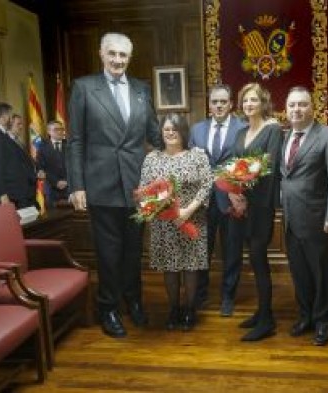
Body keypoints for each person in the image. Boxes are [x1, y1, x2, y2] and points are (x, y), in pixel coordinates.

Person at [66, 32, 162, 338]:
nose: (118, 60)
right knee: (108, 253)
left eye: (123, 55)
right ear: (101, 54)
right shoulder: (84, 87)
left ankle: (133, 301)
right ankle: (107, 306)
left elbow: (155, 134)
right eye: (113, 54)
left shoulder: (141, 89)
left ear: (129, 58)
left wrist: (183, 150)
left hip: (137, 184)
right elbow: (76, 141)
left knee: (134, 251)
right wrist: (77, 185)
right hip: (101, 184)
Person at [280, 86, 328, 346]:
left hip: (320, 222)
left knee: (322, 274)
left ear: (313, 107)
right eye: (292, 105)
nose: (296, 109)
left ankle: (323, 322)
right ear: (286, 110)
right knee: (300, 273)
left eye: (302, 104)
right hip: (291, 221)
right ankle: (306, 316)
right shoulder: (286, 136)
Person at [139, 113, 213, 331]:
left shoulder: (197, 155)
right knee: (169, 268)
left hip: (192, 220)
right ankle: (173, 309)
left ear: (183, 132)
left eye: (175, 129)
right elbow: (144, 189)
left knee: (191, 267)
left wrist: (188, 209)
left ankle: (190, 309)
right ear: (161, 133)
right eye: (166, 130)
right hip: (164, 224)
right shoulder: (152, 158)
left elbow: (207, 184)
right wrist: (155, 204)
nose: (170, 133)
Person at [230, 83, 282, 341]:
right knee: (252, 259)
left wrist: (248, 196)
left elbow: (268, 169)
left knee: (260, 260)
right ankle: (261, 312)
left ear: (263, 103)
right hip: (242, 205)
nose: (249, 104)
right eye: (245, 100)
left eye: (254, 100)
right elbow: (233, 166)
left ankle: (267, 319)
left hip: (261, 205)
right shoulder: (240, 133)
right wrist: (233, 192)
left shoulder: (272, 129)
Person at [189, 84, 246, 316]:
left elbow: (247, 163)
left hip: (231, 200)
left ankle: (228, 297)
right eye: (215, 102)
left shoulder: (243, 128)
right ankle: (200, 295)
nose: (219, 105)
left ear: (231, 104)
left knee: (232, 251)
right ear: (209, 104)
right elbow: (191, 164)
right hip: (202, 201)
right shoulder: (197, 130)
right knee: (202, 251)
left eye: (223, 101)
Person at [0, 102, 38, 209]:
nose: (10, 118)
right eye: (9, 115)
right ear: (4, 116)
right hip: (7, 195)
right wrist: (2, 195)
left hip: (15, 193)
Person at [37, 120, 69, 206]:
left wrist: (67, 181)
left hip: (69, 188)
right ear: (49, 131)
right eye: (56, 129)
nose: (59, 131)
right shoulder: (42, 147)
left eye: (61, 129)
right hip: (51, 190)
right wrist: (55, 182)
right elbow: (40, 168)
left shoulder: (70, 145)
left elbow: (75, 166)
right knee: (53, 217)